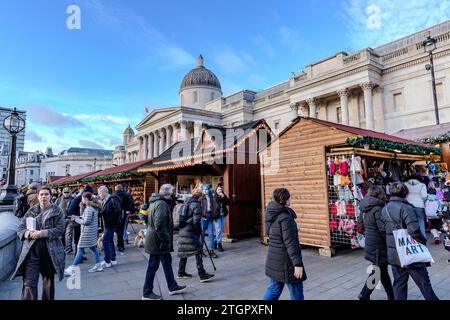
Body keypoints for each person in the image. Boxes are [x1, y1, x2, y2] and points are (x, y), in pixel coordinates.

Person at [380, 182, 439, 300]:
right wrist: (422, 242)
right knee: (424, 283)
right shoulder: (406, 207)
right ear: (405, 193)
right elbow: (414, 230)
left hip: (395, 252)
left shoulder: (385, 208)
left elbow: (382, 229)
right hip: (409, 251)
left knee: (399, 284)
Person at [11, 186, 66, 300]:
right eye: (41, 194)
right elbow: (20, 228)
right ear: (38, 196)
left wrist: (42, 233)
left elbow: (61, 229)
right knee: (29, 282)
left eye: (46, 194)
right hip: (32, 252)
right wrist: (28, 234)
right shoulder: (31, 211)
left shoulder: (57, 211)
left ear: (51, 196)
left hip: (50, 252)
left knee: (48, 283)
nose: (43, 197)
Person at [142, 184, 186, 300]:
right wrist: (166, 239)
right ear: (168, 193)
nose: (173, 194)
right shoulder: (161, 204)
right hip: (158, 241)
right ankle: (147, 293)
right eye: (172, 192)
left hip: (158, 240)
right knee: (153, 266)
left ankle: (172, 286)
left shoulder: (156, 201)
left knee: (167, 261)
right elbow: (160, 225)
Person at [263, 188, 306, 300]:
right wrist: (297, 265)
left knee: (273, 289)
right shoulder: (286, 218)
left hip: (275, 259)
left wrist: (293, 229)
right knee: (297, 293)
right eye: (289, 197)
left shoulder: (272, 212)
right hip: (287, 262)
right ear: (285, 200)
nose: (291, 198)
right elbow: (291, 243)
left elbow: (273, 232)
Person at [357, 186, 395, 300]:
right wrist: (391, 239)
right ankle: (364, 294)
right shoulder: (378, 208)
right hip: (379, 246)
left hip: (370, 243)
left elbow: (360, 225)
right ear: (380, 194)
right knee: (377, 272)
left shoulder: (364, 207)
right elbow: (382, 229)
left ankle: (391, 296)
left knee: (382, 271)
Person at [177, 185, 215, 282]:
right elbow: (196, 221)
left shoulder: (186, 202)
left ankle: (181, 272)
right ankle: (202, 274)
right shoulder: (197, 205)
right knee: (198, 251)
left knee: (184, 251)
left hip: (183, 230)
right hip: (191, 231)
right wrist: (199, 230)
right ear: (199, 196)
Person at [65, 192, 103, 275]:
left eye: (82, 198)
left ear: (85, 199)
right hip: (91, 231)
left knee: (79, 248)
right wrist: (77, 216)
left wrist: (75, 219)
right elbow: (85, 217)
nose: (81, 199)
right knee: (93, 248)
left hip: (87, 232)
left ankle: (73, 268)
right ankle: (98, 265)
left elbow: (86, 221)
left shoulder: (89, 208)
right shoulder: (92, 207)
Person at [98, 185, 122, 268]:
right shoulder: (107, 199)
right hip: (108, 224)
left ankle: (107, 261)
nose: (99, 195)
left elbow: (117, 211)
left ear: (103, 192)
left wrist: (110, 220)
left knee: (105, 241)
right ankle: (113, 260)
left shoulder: (112, 199)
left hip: (110, 224)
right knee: (110, 241)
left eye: (99, 193)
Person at [66, 185, 94, 256]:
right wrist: (79, 217)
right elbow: (70, 211)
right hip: (76, 220)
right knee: (78, 238)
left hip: (78, 219)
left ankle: (80, 254)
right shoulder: (79, 198)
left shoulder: (81, 198)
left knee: (80, 238)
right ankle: (78, 255)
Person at [113, 184, 136, 251]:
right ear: (122, 188)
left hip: (116, 214)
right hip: (124, 213)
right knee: (122, 229)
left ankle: (119, 243)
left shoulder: (113, 195)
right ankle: (121, 244)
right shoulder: (127, 194)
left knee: (118, 229)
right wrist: (130, 211)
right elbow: (131, 203)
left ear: (116, 189)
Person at [200, 184, 219, 258]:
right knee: (202, 235)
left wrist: (215, 215)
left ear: (209, 190)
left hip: (210, 217)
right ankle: (200, 251)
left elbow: (215, 207)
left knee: (211, 235)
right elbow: (198, 208)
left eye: (206, 189)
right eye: (204, 189)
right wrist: (201, 215)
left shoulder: (212, 197)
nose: (205, 190)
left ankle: (211, 250)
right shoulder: (201, 198)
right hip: (203, 218)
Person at [213, 186, 230, 252]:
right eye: (218, 189)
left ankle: (215, 241)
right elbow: (214, 205)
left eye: (221, 189)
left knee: (219, 230)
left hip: (223, 215)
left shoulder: (223, 196)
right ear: (216, 190)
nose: (220, 190)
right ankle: (219, 244)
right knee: (219, 229)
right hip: (217, 216)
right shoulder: (214, 197)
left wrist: (223, 197)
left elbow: (228, 203)